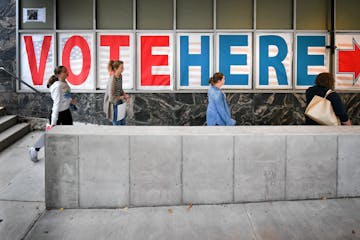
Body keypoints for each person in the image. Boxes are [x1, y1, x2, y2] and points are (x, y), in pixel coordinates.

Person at [28, 66, 76, 162]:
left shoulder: (64, 83)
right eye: (64, 72)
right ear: (58, 74)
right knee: (50, 134)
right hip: (57, 114)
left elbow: (65, 97)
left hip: (66, 112)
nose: (67, 73)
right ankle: (34, 149)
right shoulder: (57, 86)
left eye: (66, 71)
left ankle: (66, 152)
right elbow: (56, 104)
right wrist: (53, 122)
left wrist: (71, 101)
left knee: (69, 132)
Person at [103, 60, 130, 125]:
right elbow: (111, 98)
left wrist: (125, 95)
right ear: (115, 69)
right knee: (116, 123)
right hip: (113, 104)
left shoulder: (120, 76)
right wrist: (122, 97)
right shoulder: (112, 80)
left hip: (119, 102)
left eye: (123, 67)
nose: (123, 69)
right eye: (121, 68)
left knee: (122, 122)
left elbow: (120, 89)